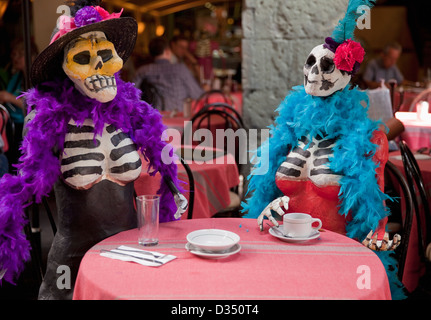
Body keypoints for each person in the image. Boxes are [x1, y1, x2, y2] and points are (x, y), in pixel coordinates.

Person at [134, 37, 204, 112]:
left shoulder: (142, 71)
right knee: (190, 120)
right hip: (179, 118)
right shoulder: (180, 69)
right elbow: (198, 95)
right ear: (167, 51)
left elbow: (133, 95)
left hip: (155, 119)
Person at [0, 39, 38, 171]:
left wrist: (9, 97)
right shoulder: (17, 77)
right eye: (13, 55)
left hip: (28, 128)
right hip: (13, 128)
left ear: (29, 55)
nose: (14, 58)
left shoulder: (36, 76)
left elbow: (37, 105)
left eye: (18, 55)